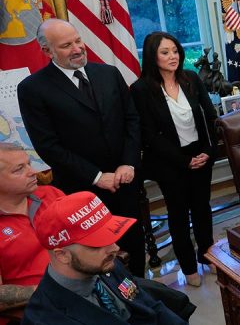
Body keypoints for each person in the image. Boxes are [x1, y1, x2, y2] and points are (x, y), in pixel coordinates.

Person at [16, 19, 145, 276]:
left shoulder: (109, 73)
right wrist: (96, 176)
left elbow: (132, 120)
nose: (77, 49)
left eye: (78, 41)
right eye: (66, 45)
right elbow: (48, 146)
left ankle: (139, 292)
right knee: (96, 259)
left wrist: (128, 162)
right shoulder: (33, 89)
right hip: (81, 190)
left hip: (125, 180)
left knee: (133, 244)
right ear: (47, 51)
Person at [130, 32, 217, 287]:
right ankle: (188, 266)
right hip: (169, 162)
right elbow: (149, 135)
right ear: (152, 56)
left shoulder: (190, 78)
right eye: (165, 52)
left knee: (202, 210)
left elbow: (209, 115)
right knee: (178, 215)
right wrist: (183, 161)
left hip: (200, 155)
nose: (173, 56)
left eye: (175, 51)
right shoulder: (141, 89)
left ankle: (208, 255)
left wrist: (209, 151)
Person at [22, 192, 187, 324]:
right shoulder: (45, 318)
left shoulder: (102, 264)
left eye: (110, 237)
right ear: (63, 255)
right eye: (97, 244)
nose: (115, 248)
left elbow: (148, 306)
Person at [0, 143, 64, 317]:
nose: (33, 172)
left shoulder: (51, 194)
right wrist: (60, 289)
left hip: (86, 288)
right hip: (37, 311)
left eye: (29, 164)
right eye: (19, 169)